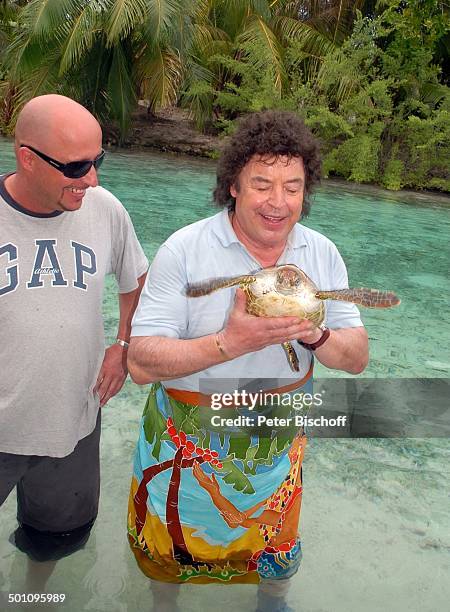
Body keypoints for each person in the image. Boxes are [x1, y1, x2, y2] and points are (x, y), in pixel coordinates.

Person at [126, 111, 368, 607]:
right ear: (233, 185)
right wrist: (229, 343)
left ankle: (271, 602)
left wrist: (315, 334)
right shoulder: (186, 249)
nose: (279, 203)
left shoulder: (321, 253)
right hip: (187, 440)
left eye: (293, 187)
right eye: (262, 184)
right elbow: (140, 362)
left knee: (276, 551)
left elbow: (357, 358)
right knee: (170, 552)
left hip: (277, 448)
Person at [0, 94, 148, 565]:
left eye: (98, 160)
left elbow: (136, 278)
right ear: (27, 157)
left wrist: (121, 344)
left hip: (73, 426)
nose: (92, 179)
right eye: (76, 166)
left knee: (53, 545)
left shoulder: (104, 209)